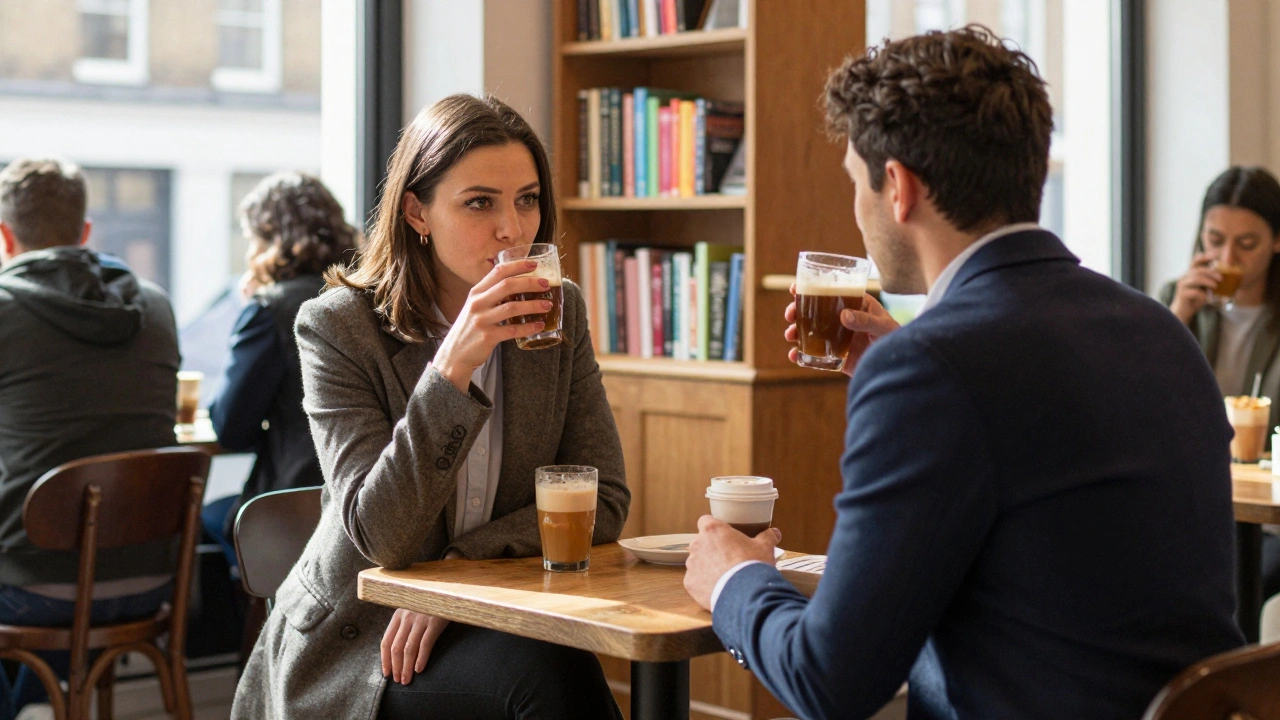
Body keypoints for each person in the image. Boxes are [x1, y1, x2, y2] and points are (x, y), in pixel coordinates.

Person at [682, 26, 1245, 720]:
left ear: (898, 188)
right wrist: (903, 360)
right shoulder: (1156, 329)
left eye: (856, 183)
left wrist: (733, 579)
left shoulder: (933, 371)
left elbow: (829, 681)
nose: (854, 210)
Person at [231, 94, 631, 720]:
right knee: (548, 680)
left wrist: (457, 578)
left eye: (527, 200)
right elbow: (380, 535)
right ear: (417, 211)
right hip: (362, 640)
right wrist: (454, 366)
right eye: (480, 203)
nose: (512, 229)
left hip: (494, 614)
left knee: (560, 668)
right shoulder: (338, 328)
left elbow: (602, 498)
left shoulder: (558, 308)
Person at [0, 158, 180, 719]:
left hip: (39, 589)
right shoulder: (154, 305)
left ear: (5, 237)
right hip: (151, 578)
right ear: (85, 233)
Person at [202, 172, 358, 567]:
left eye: (251, 239)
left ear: (269, 238)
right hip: (359, 503)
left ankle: (267, 617)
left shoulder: (270, 310)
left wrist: (251, 308)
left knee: (210, 516)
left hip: (294, 507)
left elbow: (230, 428)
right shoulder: (363, 298)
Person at [1159, 166, 1280, 607]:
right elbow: (1139, 402)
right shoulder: (1176, 301)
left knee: (1242, 585)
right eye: (1214, 240)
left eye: (1246, 244)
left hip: (1267, 517)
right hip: (1197, 504)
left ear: (1276, 241)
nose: (1228, 257)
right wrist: (1176, 315)